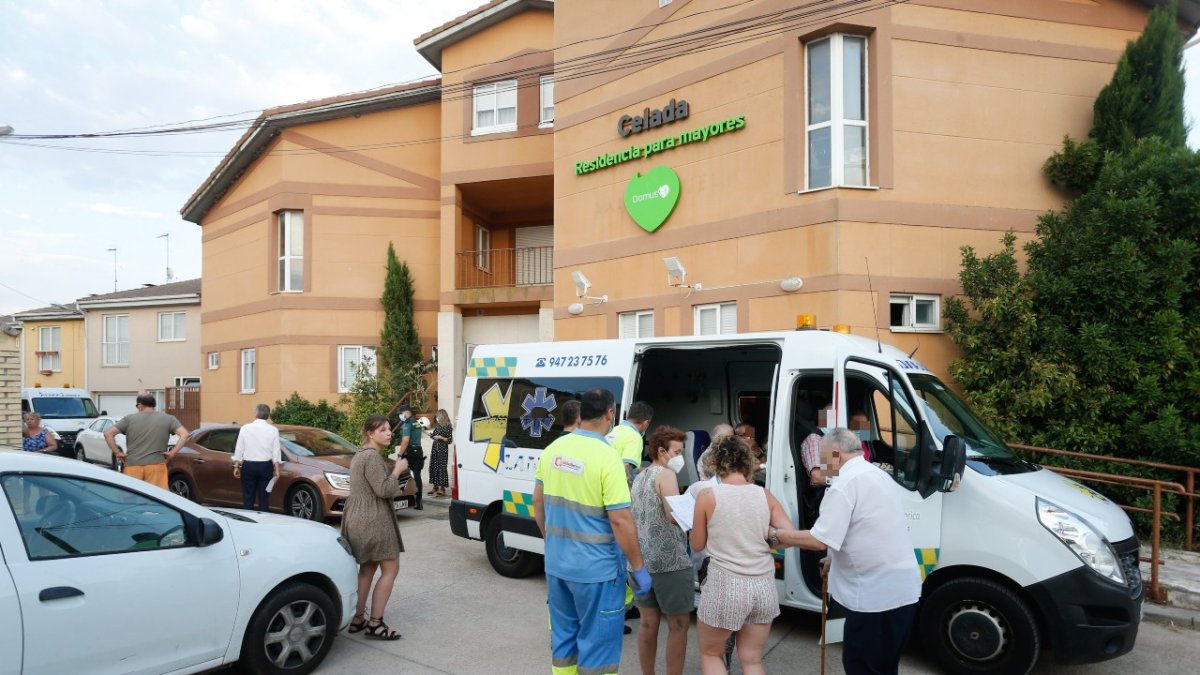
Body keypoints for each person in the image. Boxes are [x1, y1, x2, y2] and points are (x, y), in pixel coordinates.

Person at [775, 428, 921, 675]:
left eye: (823, 459)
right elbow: (870, 527)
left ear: (835, 454)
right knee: (885, 667)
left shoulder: (843, 485)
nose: (822, 466)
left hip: (874, 598)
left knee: (861, 667)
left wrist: (777, 536)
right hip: (904, 592)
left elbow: (818, 540)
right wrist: (835, 558)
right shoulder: (878, 474)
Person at [533, 388, 651, 675]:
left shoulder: (553, 450)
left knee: (564, 642)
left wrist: (552, 543)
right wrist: (638, 567)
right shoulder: (607, 456)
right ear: (610, 414)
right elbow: (621, 519)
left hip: (557, 567)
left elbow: (538, 501)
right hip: (596, 572)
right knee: (598, 649)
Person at [690, 435, 795, 675]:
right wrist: (764, 533)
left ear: (716, 463)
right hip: (763, 587)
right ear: (747, 462)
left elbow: (697, 545)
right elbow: (787, 537)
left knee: (711, 654)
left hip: (724, 586)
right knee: (753, 660)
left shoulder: (707, 497)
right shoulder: (764, 495)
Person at [342, 415, 415, 641]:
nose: (388, 433)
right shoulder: (372, 457)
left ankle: (357, 619)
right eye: (382, 430)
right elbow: (384, 490)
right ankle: (376, 623)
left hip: (359, 517)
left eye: (388, 429)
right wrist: (398, 470)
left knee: (367, 569)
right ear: (370, 434)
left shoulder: (360, 455)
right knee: (390, 570)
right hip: (374, 520)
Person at [630, 426, 691, 675]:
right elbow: (673, 515)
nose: (681, 457)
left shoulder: (639, 476)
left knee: (647, 624)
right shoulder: (666, 476)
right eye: (677, 451)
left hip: (641, 562)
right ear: (661, 451)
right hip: (670, 562)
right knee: (678, 626)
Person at [105, 393, 188, 489]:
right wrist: (172, 453)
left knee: (132, 498)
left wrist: (117, 453)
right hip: (156, 465)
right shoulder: (168, 419)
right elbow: (184, 434)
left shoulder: (129, 419)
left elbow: (108, 433)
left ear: (140, 405)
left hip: (132, 466)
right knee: (156, 498)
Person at [231, 403, 282, 512]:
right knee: (264, 497)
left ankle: (249, 520)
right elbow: (276, 452)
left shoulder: (245, 428)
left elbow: (239, 449)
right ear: (268, 416)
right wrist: (277, 470)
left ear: (256, 414)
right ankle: (263, 521)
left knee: (248, 495)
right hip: (266, 466)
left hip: (249, 466)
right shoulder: (273, 430)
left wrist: (236, 466)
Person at [607, 401, 654, 485]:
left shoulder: (613, 430)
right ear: (645, 423)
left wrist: (640, 470)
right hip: (614, 490)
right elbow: (626, 470)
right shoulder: (635, 437)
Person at [395, 405, 425, 510]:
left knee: (401, 474)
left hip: (410, 452)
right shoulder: (417, 422)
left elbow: (405, 440)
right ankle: (419, 502)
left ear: (406, 413)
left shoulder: (407, 424)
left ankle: (400, 499)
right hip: (418, 451)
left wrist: (399, 455)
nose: (400, 415)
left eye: (401, 413)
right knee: (417, 476)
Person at [427, 409, 453, 498]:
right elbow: (434, 436)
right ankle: (435, 486)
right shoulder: (437, 426)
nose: (437, 417)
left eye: (438, 416)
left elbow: (449, 440)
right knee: (434, 466)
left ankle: (442, 488)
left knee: (441, 467)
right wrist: (426, 432)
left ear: (442, 416)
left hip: (442, 449)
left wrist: (441, 437)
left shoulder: (448, 426)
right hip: (435, 448)